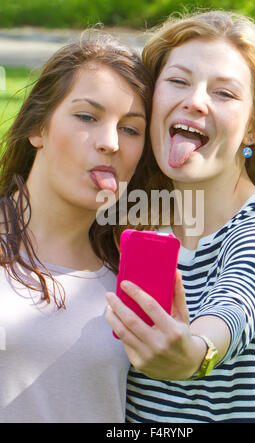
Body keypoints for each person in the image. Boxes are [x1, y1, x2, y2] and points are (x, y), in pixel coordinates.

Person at [105, 11, 255, 423]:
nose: (195, 100)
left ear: (254, 128)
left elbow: (234, 307)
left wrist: (194, 353)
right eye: (178, 80)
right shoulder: (132, 219)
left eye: (225, 93)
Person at [0, 30, 153, 423]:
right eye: (87, 117)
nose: (110, 143)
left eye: (130, 129)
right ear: (38, 128)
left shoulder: (132, 274)